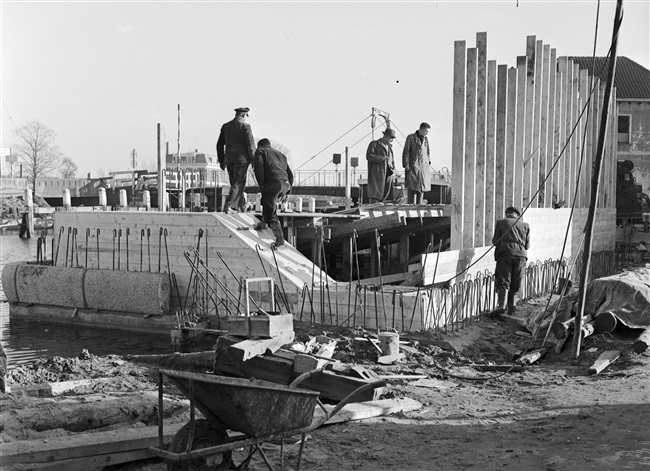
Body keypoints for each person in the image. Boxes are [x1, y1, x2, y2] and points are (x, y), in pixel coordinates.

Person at [253, 138, 293, 246]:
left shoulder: (260, 151)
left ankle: (280, 239)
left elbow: (259, 168)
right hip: (285, 184)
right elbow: (290, 174)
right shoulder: (281, 154)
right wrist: (288, 191)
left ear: (259, 146)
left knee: (271, 211)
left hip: (273, 183)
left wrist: (261, 183)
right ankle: (263, 223)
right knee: (266, 202)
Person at [216, 107, 256, 214]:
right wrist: (254, 160)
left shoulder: (226, 126)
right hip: (242, 160)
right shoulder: (245, 126)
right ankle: (229, 206)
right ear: (244, 115)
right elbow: (251, 145)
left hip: (229, 159)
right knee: (238, 183)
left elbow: (220, 145)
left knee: (235, 183)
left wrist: (221, 160)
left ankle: (242, 206)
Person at [491, 206, 530, 315]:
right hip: (521, 256)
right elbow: (527, 245)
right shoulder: (526, 225)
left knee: (504, 279)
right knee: (516, 281)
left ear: (507, 214)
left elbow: (495, 241)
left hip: (505, 253)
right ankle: (511, 310)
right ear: (517, 215)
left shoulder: (501, 222)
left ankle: (501, 306)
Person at [402, 122, 431, 205]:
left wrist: (428, 161)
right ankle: (411, 210)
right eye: (426, 131)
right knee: (413, 188)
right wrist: (406, 164)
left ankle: (419, 210)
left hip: (423, 168)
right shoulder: (411, 138)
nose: (426, 133)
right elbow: (406, 151)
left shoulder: (426, 140)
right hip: (413, 167)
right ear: (421, 129)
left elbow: (428, 152)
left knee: (421, 189)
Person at [365, 128, 396, 203]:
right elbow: (368, 156)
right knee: (376, 196)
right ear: (385, 136)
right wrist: (381, 158)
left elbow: (392, 161)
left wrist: (394, 170)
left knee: (386, 195)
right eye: (390, 138)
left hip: (388, 176)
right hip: (377, 175)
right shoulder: (374, 144)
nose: (391, 140)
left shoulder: (390, 147)